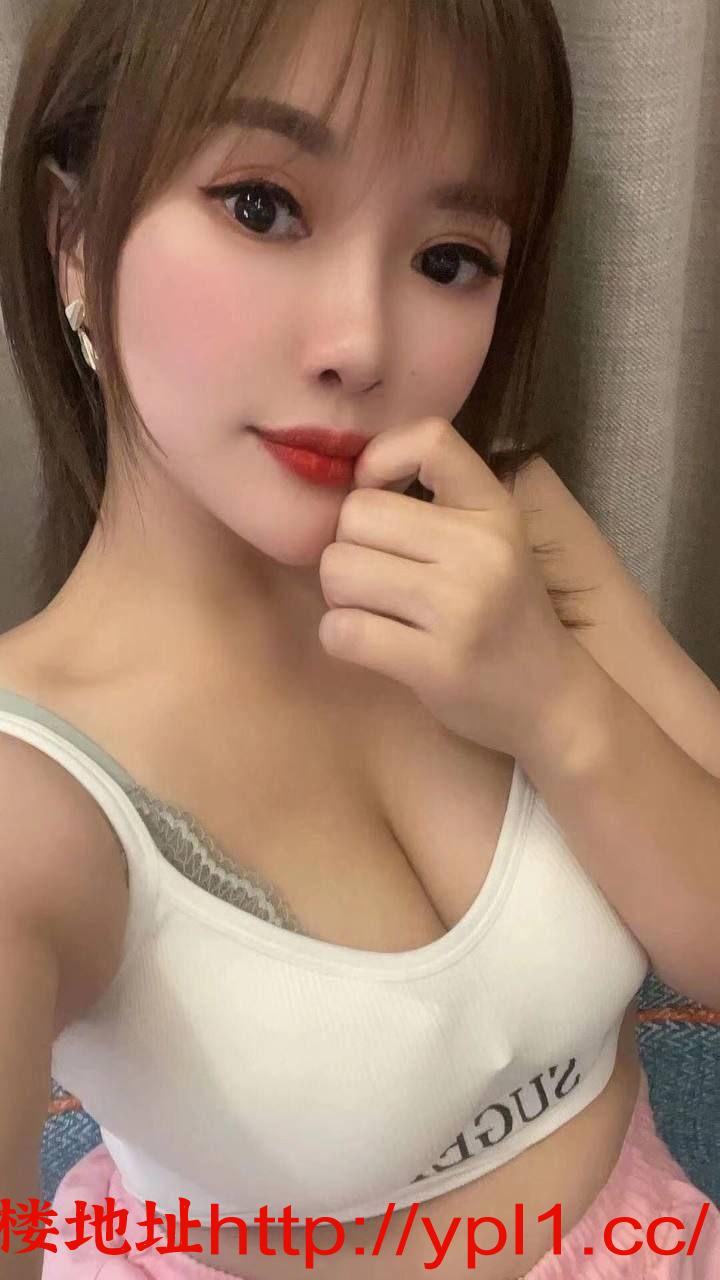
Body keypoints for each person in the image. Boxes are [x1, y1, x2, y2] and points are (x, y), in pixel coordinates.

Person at [0, 0, 718, 1276]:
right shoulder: (34, 797)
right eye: (263, 206)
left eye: (448, 258)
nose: (363, 345)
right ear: (73, 239)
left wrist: (555, 701)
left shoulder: (511, 538)